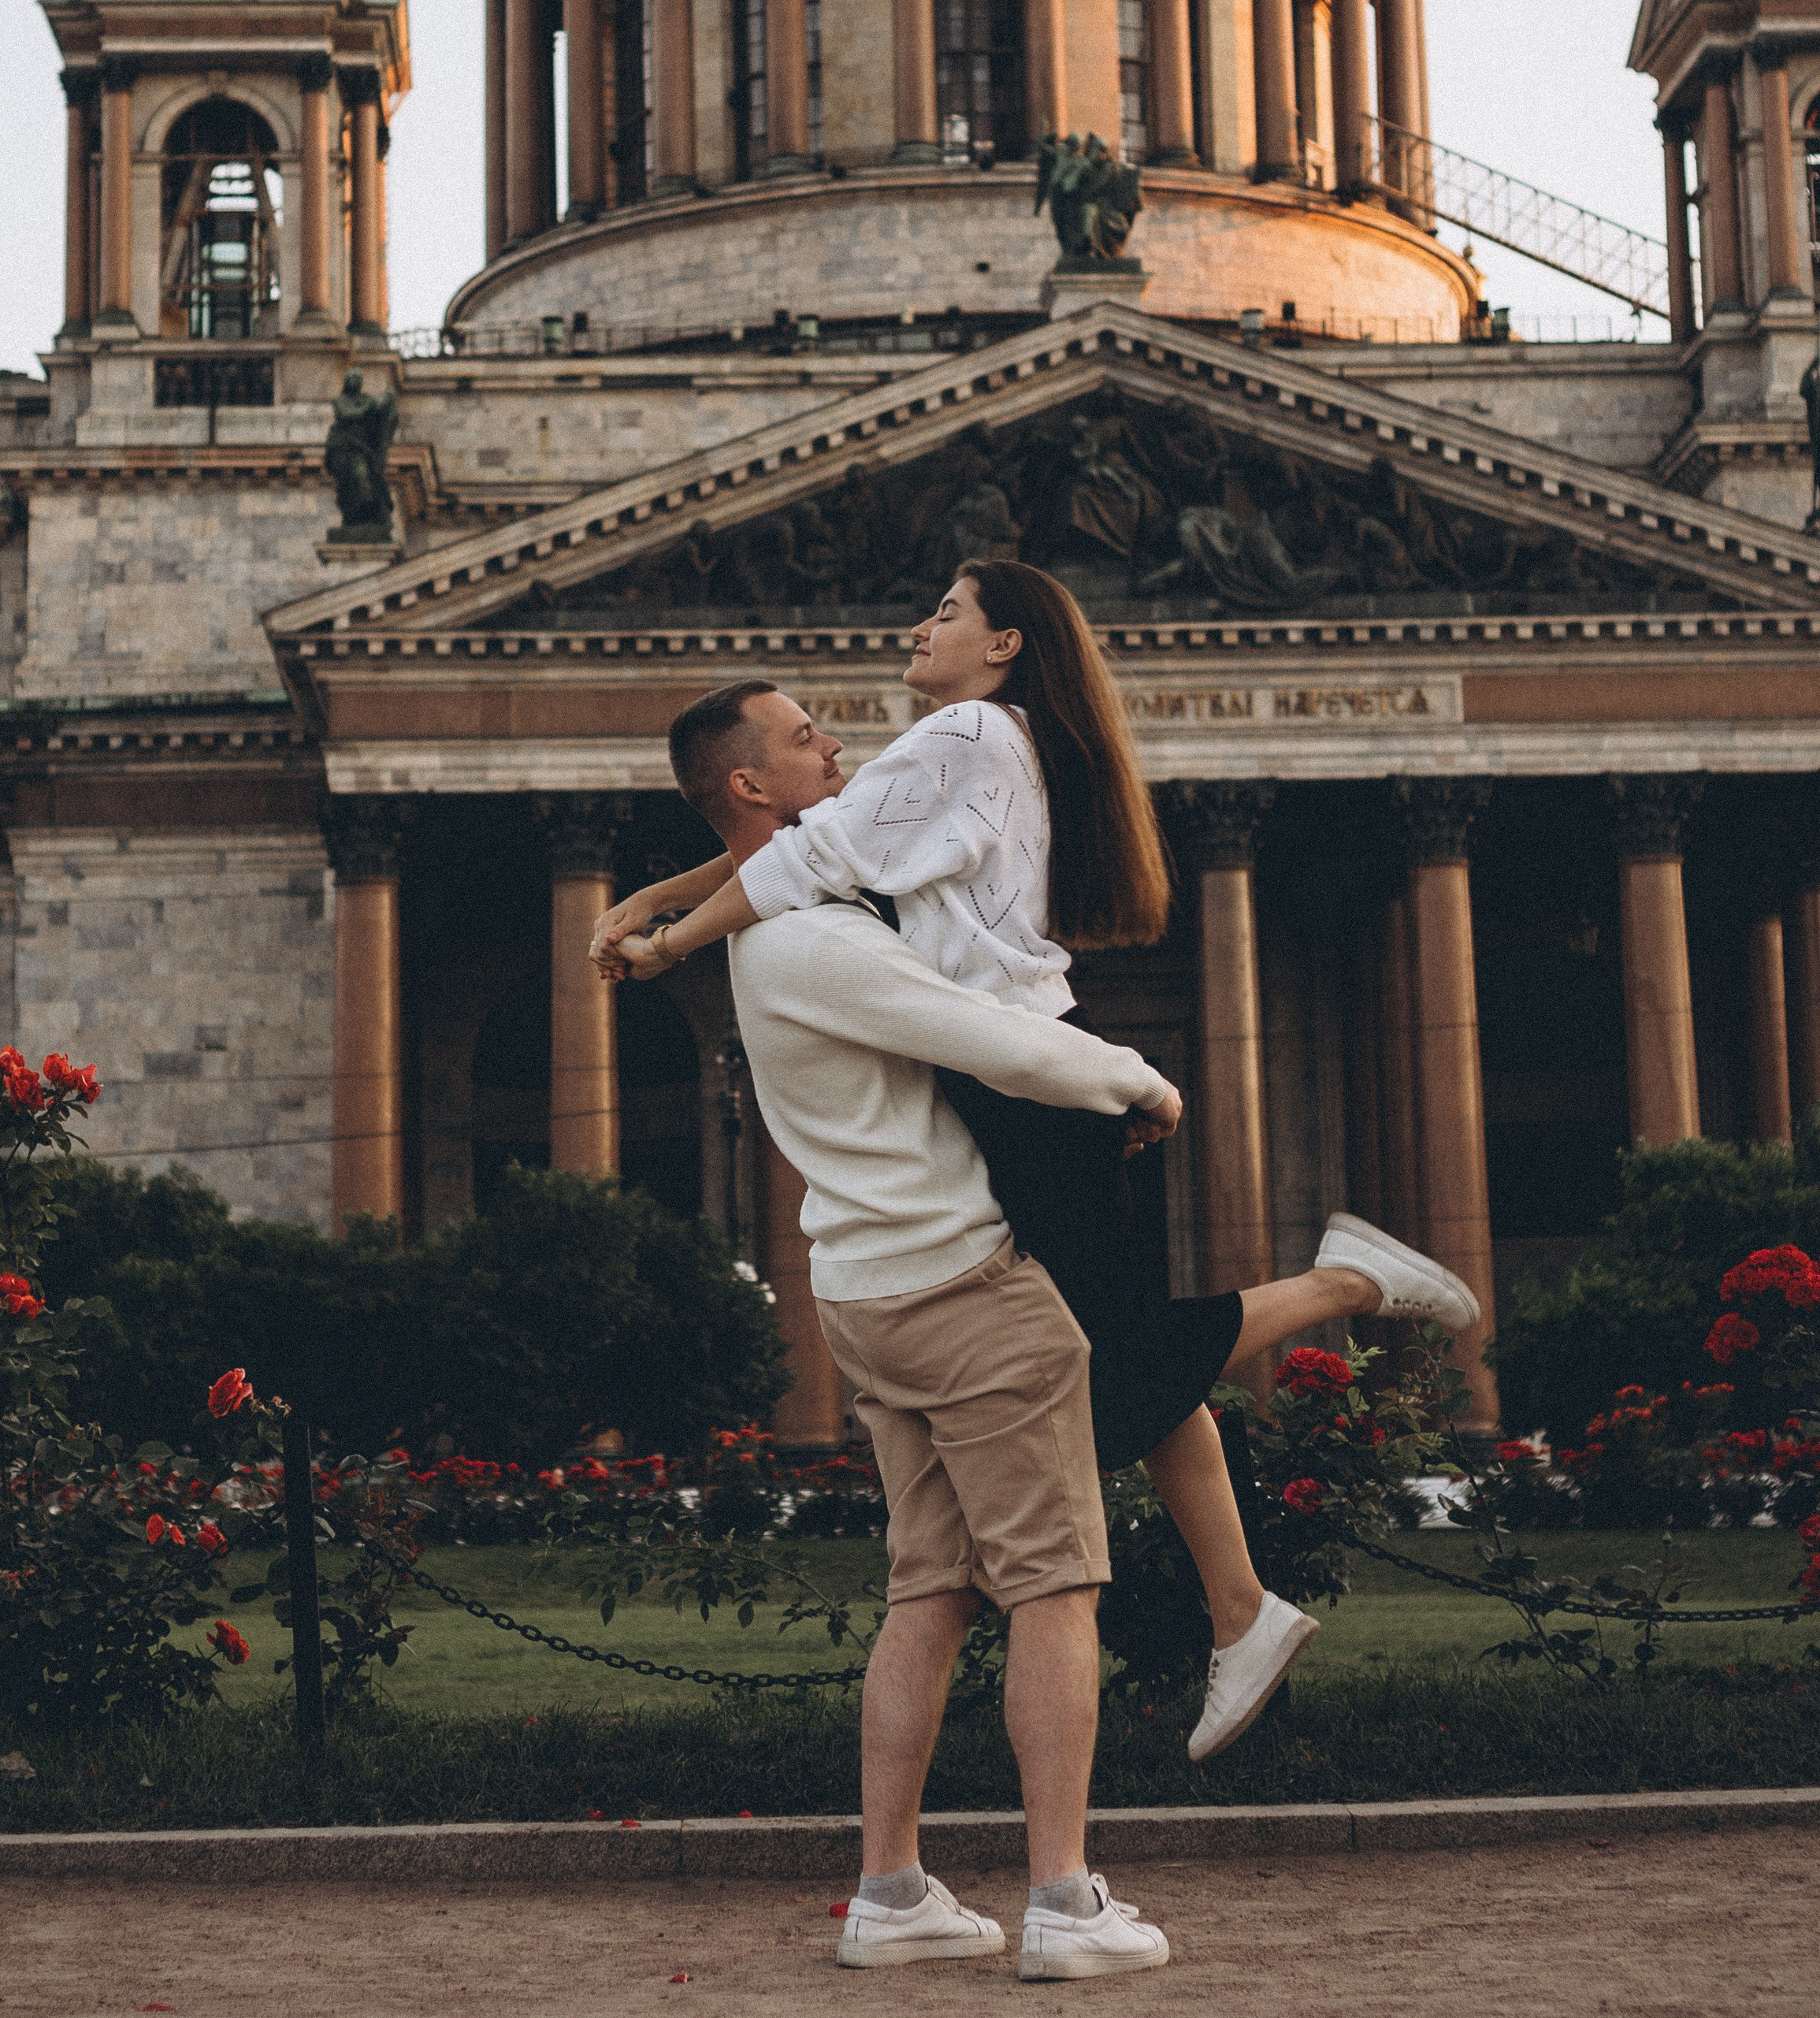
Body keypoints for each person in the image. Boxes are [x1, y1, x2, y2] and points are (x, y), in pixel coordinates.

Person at [595, 560, 1479, 1760]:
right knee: (1120, 1356)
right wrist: (652, 896)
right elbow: (815, 842)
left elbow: (800, 857)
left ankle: (1342, 1289)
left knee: (1116, 1372)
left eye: (948, 611)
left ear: (1006, 642)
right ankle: (1244, 1609)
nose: (919, 625)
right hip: (1018, 1075)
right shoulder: (966, 742)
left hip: (1028, 1076)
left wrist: (668, 946)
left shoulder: (963, 728)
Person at [663, 676, 1180, 1979]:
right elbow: (993, 1039)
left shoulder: (772, 933)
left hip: (864, 1297)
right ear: (750, 788)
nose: (837, 747)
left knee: (931, 1590)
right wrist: (1140, 1081)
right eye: (803, 740)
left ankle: (890, 1892)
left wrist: (649, 913)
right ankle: (1065, 1902)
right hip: (964, 1291)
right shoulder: (815, 945)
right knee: (1058, 1587)